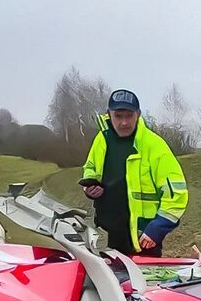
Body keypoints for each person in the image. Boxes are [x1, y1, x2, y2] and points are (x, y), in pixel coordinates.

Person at [79, 89, 188, 257]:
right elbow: (90, 168)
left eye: (128, 116)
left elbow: (176, 193)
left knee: (142, 283)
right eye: (118, 116)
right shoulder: (102, 139)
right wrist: (90, 185)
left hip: (143, 239)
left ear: (138, 114)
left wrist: (157, 228)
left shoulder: (155, 146)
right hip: (108, 236)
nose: (123, 122)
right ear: (109, 114)